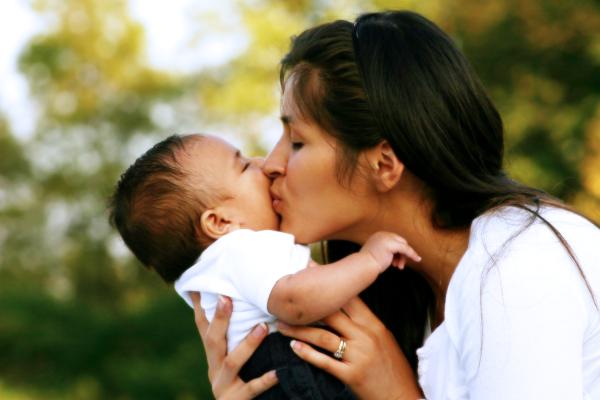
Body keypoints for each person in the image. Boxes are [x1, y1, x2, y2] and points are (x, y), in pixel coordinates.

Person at [193, 10, 600, 400]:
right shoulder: (405, 295)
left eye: (297, 142)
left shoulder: (517, 267)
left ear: (384, 164)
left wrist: (395, 394)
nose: (270, 166)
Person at [108, 132, 421, 399]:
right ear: (219, 222)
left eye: (297, 141)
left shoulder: (212, 272)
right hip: (294, 371)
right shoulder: (241, 248)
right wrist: (368, 259)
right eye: (244, 165)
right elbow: (294, 301)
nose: (263, 163)